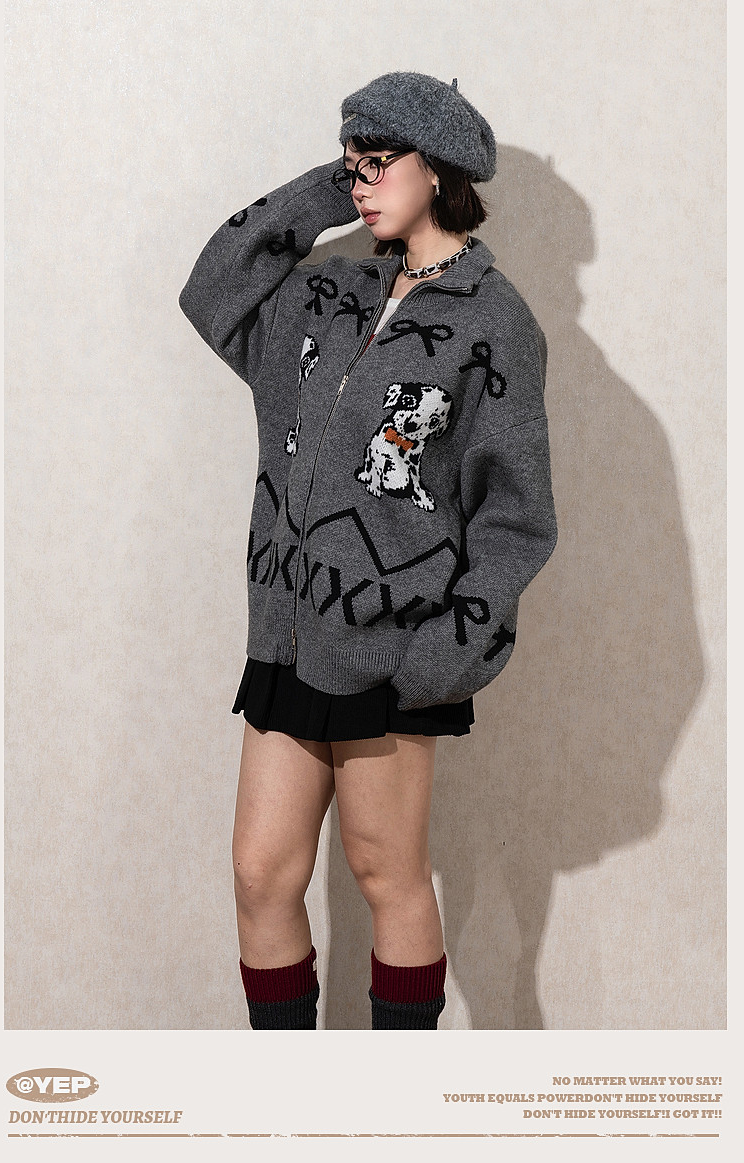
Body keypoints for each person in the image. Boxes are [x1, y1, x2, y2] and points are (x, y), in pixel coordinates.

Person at [179, 72, 557, 1030]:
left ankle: (395, 1101)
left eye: (380, 161)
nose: (361, 180)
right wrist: (332, 188)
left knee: (387, 872)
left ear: (441, 168)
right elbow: (212, 287)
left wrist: (440, 660)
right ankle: (291, 1097)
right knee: (260, 873)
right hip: (287, 632)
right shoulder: (328, 295)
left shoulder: (494, 321)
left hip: (394, 650)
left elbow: (516, 517)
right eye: (352, 161)